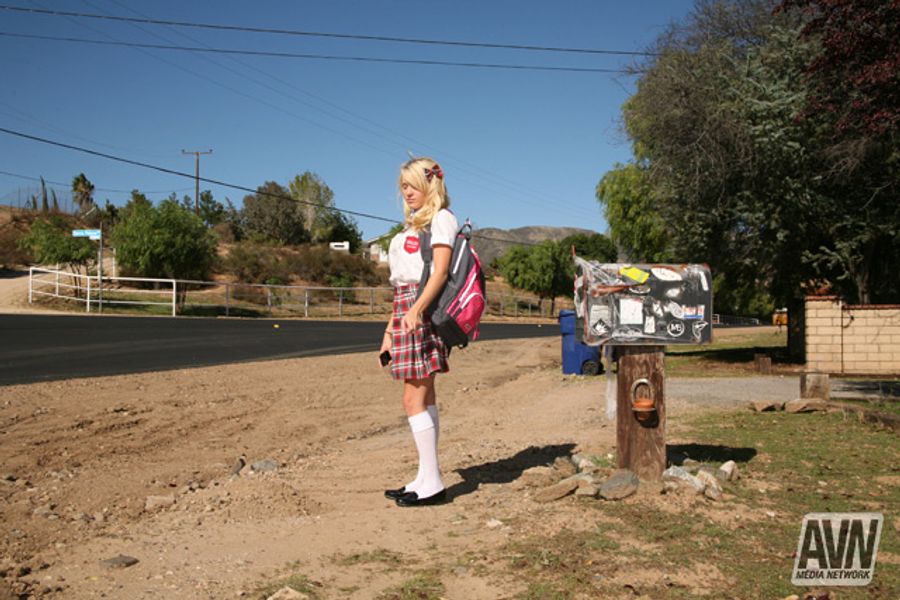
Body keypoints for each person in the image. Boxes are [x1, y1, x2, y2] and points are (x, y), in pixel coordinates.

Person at [380, 157, 458, 507]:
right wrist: (388, 332)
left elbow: (439, 273)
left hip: (421, 309)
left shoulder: (441, 219)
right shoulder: (413, 227)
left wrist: (416, 310)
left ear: (430, 184)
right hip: (406, 309)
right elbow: (400, 288)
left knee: (412, 399)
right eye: (403, 187)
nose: (406, 192)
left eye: (412, 185)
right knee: (424, 399)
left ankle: (434, 483)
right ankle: (425, 477)